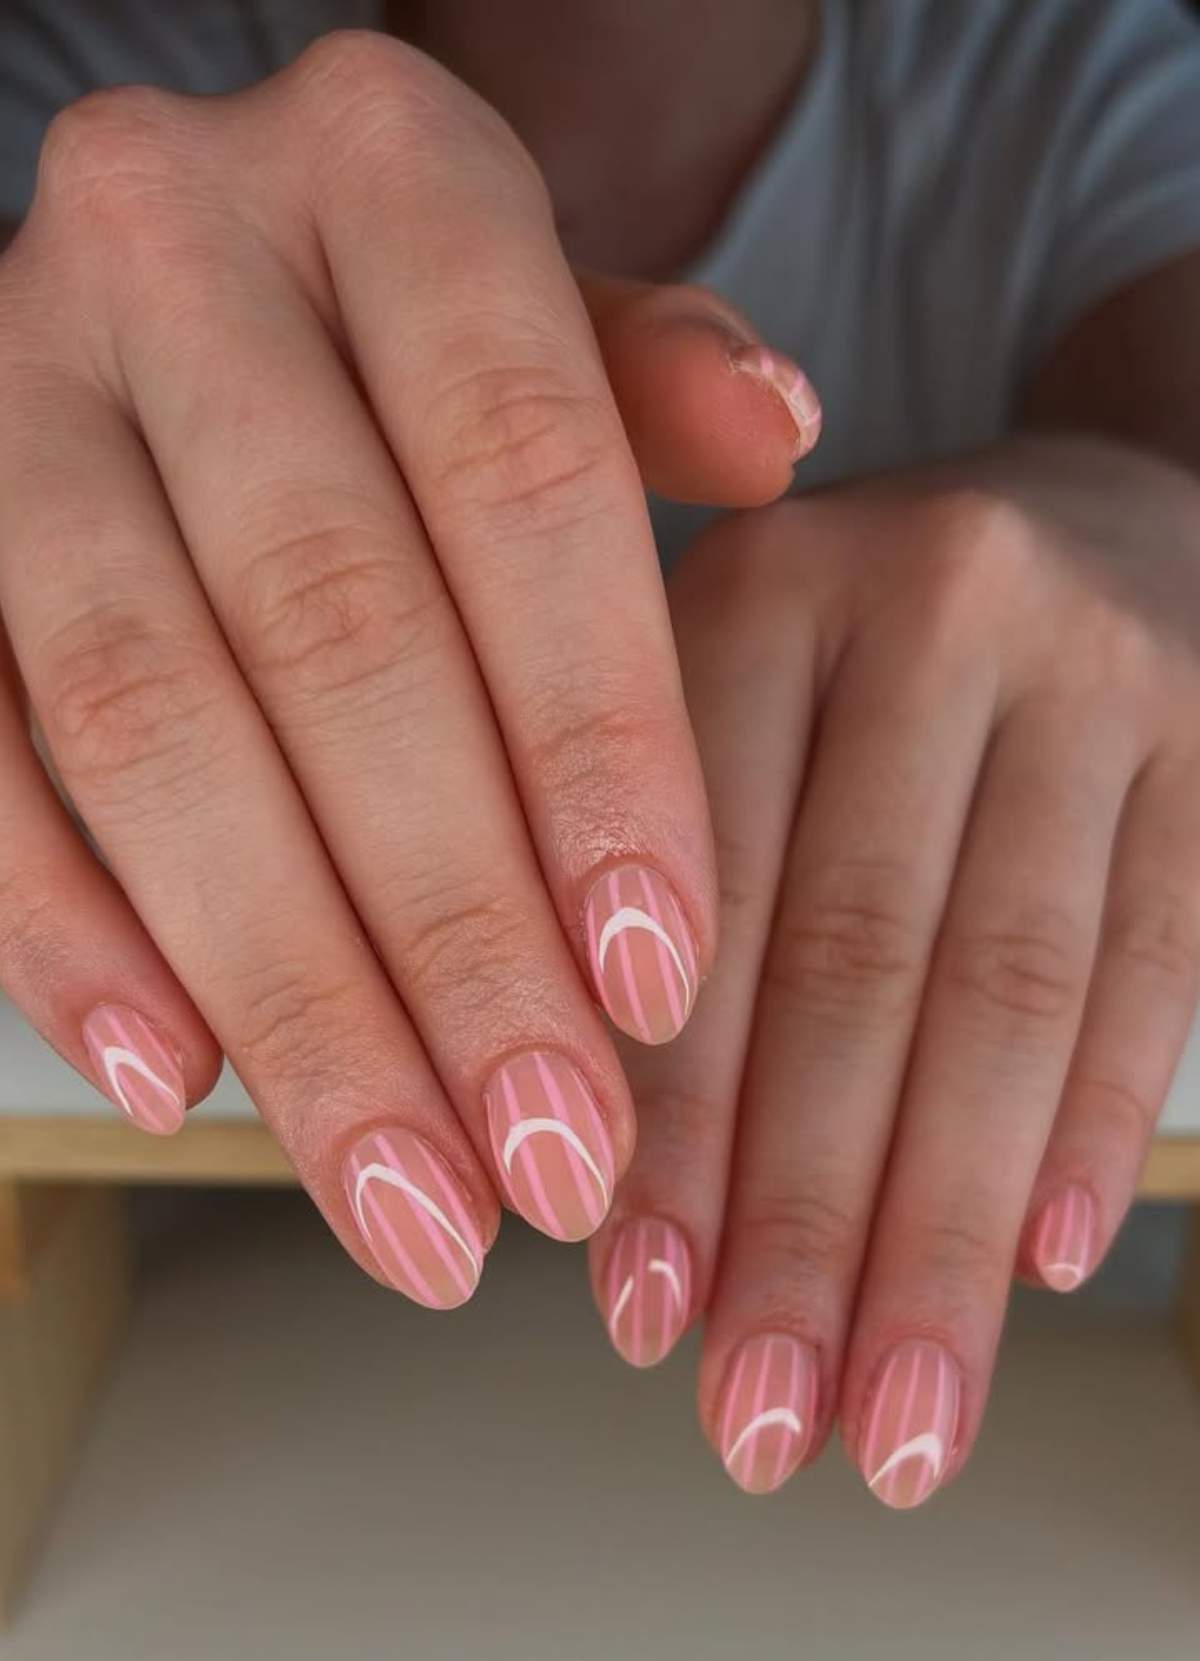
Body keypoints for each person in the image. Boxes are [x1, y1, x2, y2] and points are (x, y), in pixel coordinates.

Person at [1, 0, 1199, 1510]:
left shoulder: (1091, 73)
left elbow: (1167, 397)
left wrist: (1146, 522)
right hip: (224, 1402)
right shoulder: (80, 81)